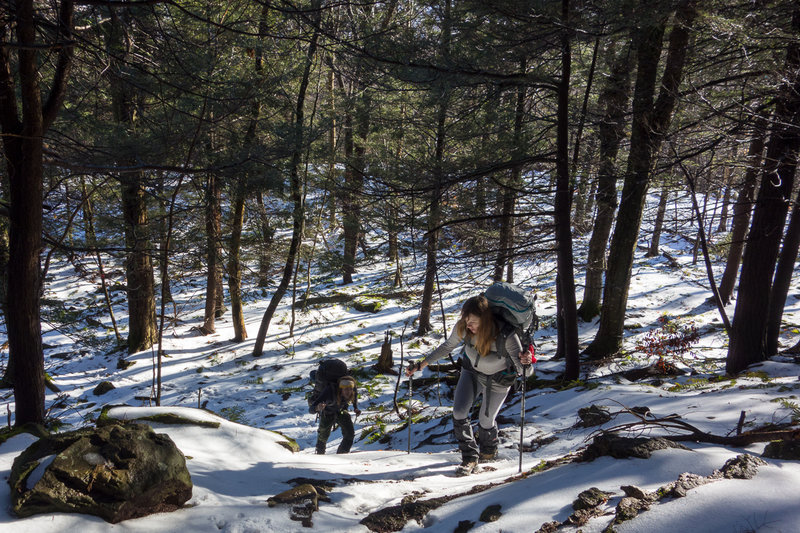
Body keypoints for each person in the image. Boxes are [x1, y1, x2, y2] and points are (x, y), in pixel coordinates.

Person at [406, 294, 533, 475]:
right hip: (471, 373)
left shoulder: (506, 335)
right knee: (459, 412)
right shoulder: (463, 329)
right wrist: (421, 365)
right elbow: (447, 347)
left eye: (473, 321)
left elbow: (526, 372)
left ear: (485, 318)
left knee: (486, 420)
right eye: (466, 321)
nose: (468, 326)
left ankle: (489, 449)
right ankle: (469, 458)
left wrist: (527, 362)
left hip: (499, 380)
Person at [310, 375, 361, 454]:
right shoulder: (329, 392)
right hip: (327, 413)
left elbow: (355, 396)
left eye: (350, 389)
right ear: (341, 389)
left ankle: (342, 455)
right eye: (346, 389)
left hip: (341, 411)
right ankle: (319, 456)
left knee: (349, 434)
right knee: (323, 437)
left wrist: (355, 408)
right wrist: (318, 408)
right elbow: (311, 409)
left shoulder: (352, 390)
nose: (349, 391)